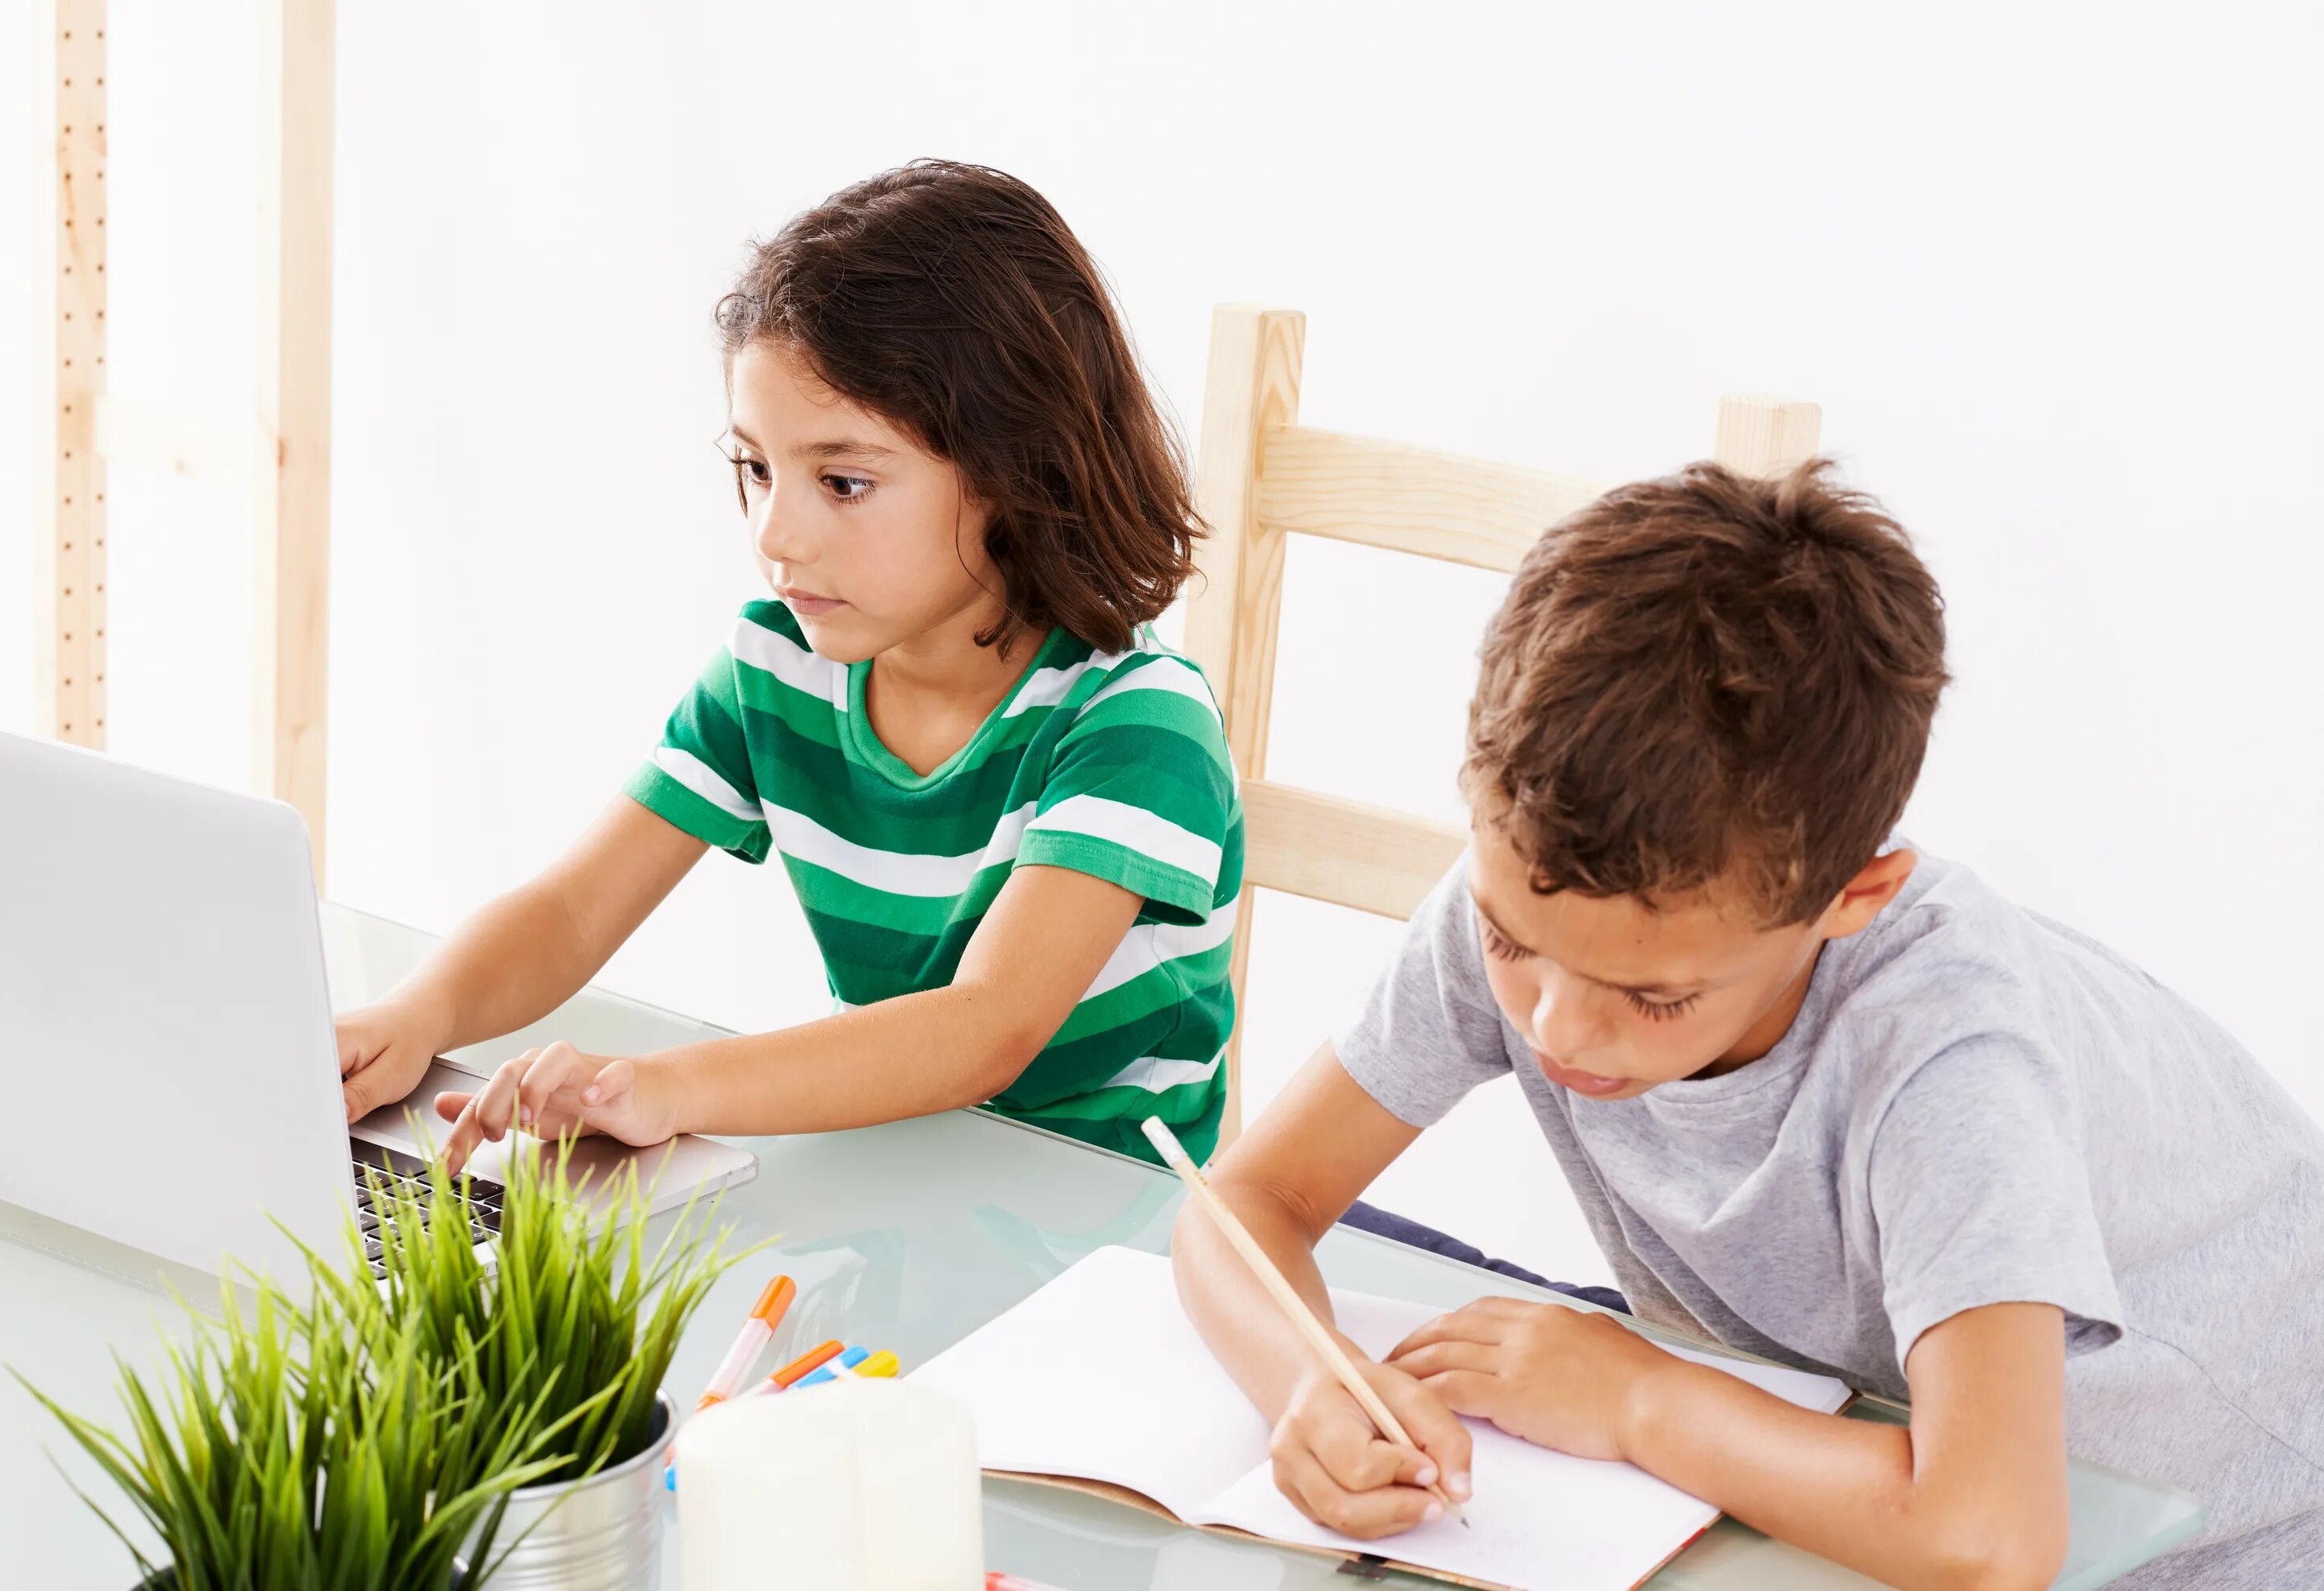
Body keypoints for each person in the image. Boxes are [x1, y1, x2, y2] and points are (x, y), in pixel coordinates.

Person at [1170, 459, 2324, 1589]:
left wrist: (1636, 1396)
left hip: (2226, 1537)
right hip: (1865, 1464)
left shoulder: (1950, 1061)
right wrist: (1311, 1382)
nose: (1560, 1027)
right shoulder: (1547, 894)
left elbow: (1989, 1539)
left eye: (1656, 998)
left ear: (1851, 899)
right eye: (1511, 944)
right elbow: (1247, 1203)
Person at [336, 161, 1241, 1173]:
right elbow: (573, 909)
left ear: (1016, 470)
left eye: (843, 481)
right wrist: (418, 1014)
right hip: (885, 1189)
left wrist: (665, 1084)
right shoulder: (779, 667)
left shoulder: (1136, 724)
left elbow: (985, 1030)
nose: (778, 533)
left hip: (1107, 1238)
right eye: (756, 467)